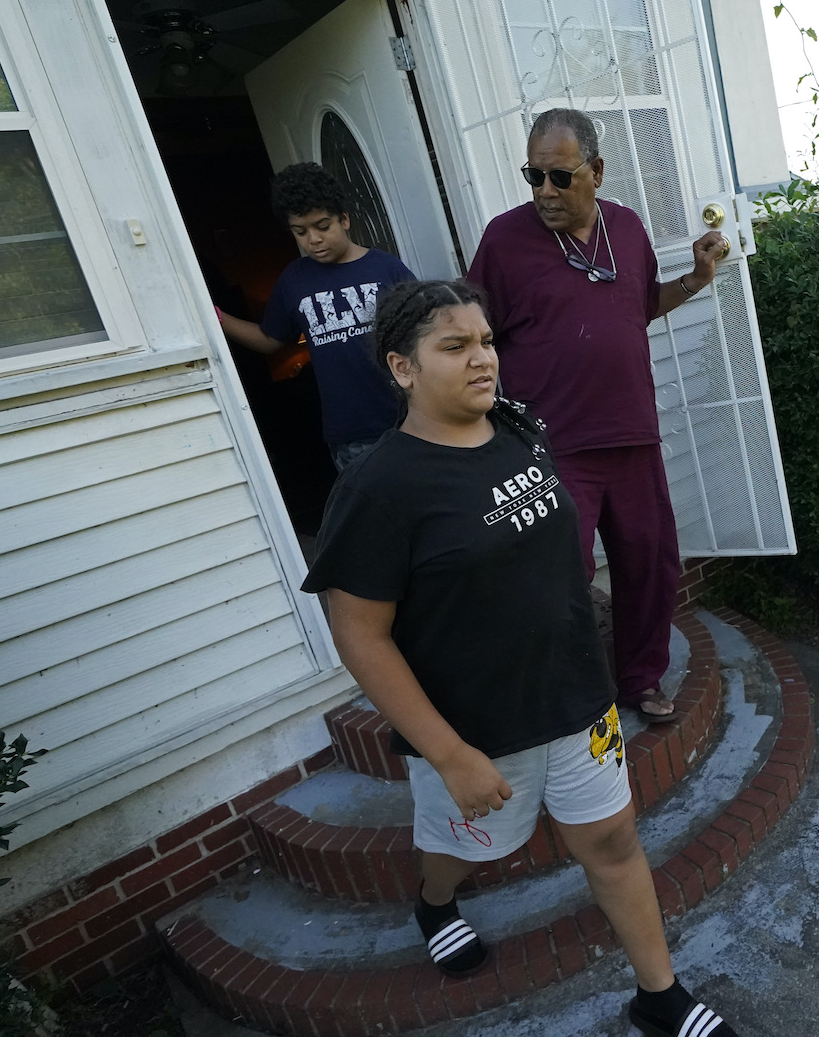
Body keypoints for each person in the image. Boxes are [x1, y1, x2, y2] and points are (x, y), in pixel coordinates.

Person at [300, 280, 738, 1037]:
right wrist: (448, 753)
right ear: (403, 368)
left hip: (578, 699)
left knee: (611, 839)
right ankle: (435, 900)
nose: (482, 360)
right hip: (474, 731)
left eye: (487, 341)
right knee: (465, 850)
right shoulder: (379, 488)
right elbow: (359, 634)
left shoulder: (518, 428)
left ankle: (660, 995)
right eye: (456, 346)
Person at [467, 108, 728, 723]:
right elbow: (477, 333)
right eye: (534, 176)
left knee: (651, 566)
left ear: (597, 171)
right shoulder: (504, 241)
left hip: (633, 436)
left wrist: (696, 278)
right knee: (561, 580)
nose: (545, 192)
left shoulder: (628, 229)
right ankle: (575, 695)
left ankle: (641, 679)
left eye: (560, 177)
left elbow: (639, 309)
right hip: (555, 448)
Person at [216, 162, 414, 471]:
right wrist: (217, 318)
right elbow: (270, 340)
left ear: (344, 219)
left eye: (323, 226)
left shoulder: (386, 269)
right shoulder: (294, 280)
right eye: (301, 231)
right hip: (351, 435)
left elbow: (424, 335)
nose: (313, 239)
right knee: (376, 517)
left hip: (410, 420)